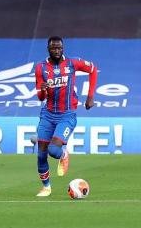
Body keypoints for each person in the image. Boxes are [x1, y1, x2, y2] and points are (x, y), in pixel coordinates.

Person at [33, 36, 98, 197]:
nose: (56, 51)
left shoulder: (72, 63)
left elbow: (93, 69)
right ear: (48, 49)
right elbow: (40, 97)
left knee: (53, 150)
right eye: (53, 48)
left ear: (63, 48)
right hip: (47, 115)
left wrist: (90, 96)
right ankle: (46, 187)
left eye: (59, 48)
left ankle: (64, 154)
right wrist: (42, 90)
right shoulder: (40, 68)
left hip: (67, 115)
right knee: (41, 154)